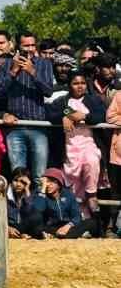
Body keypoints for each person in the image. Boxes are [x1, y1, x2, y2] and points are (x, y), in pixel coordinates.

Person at [0, 32, 54, 182]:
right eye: (26, 45)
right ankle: (19, 204)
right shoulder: (6, 64)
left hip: (38, 126)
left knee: (39, 176)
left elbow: (48, 91)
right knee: (18, 176)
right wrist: (13, 71)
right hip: (15, 128)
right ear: (18, 47)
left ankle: (40, 204)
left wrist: (32, 72)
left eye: (32, 45)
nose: (29, 49)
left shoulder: (44, 64)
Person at [50, 71, 105, 216]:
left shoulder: (94, 100)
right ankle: (78, 220)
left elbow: (100, 115)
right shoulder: (62, 101)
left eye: (82, 83)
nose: (80, 86)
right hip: (69, 146)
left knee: (92, 161)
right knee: (73, 183)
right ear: (69, 86)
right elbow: (50, 113)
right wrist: (65, 115)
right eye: (76, 83)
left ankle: (92, 194)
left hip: (88, 143)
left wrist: (85, 116)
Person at [31, 168, 100, 238]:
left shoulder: (68, 195)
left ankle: (60, 235)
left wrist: (67, 226)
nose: (48, 185)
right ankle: (71, 235)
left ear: (59, 183)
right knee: (35, 227)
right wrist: (42, 190)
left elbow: (76, 215)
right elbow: (37, 211)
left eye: (51, 182)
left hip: (68, 226)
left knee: (92, 223)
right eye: (46, 182)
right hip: (51, 227)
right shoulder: (41, 194)